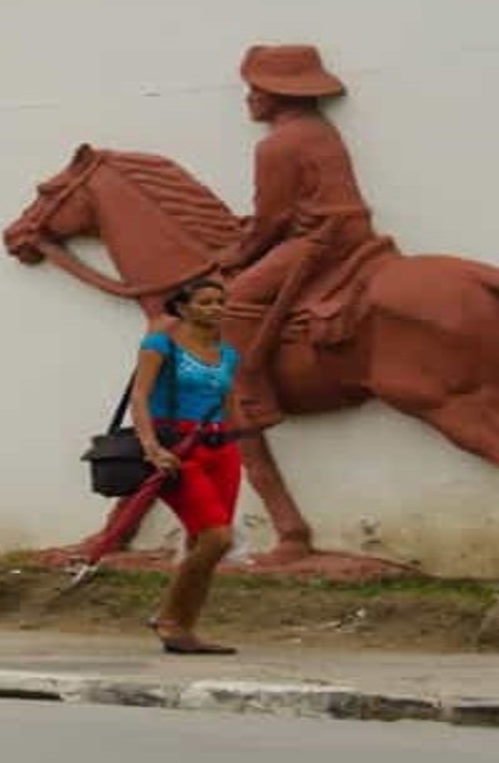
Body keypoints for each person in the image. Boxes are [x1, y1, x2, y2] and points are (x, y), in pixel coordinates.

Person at [215, 43, 378, 432]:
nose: (249, 98)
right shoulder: (320, 130)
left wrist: (239, 254)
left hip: (320, 241)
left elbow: (274, 218)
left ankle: (252, 394)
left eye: (256, 90)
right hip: (353, 231)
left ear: (278, 94)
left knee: (236, 297)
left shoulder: (278, 144)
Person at [130, 280, 244, 655]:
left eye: (220, 301)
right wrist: (151, 447)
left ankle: (184, 627)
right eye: (206, 302)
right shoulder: (160, 345)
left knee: (204, 543)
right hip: (178, 447)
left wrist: (239, 440)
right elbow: (140, 396)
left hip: (221, 448)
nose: (216, 308)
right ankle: (168, 619)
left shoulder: (228, 354)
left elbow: (229, 403)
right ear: (183, 308)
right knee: (218, 538)